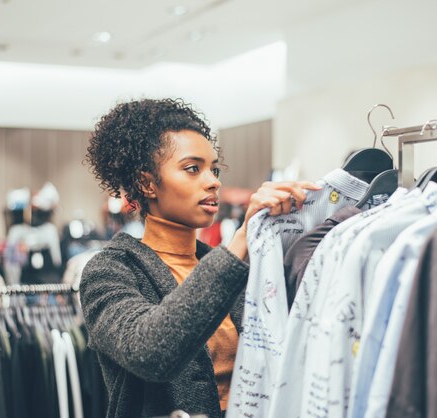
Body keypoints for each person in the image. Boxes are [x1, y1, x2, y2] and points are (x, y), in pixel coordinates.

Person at [79, 98, 320, 418]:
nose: (213, 181)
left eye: (214, 168)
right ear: (146, 183)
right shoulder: (109, 272)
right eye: (193, 168)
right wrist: (241, 238)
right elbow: (152, 350)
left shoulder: (237, 268)